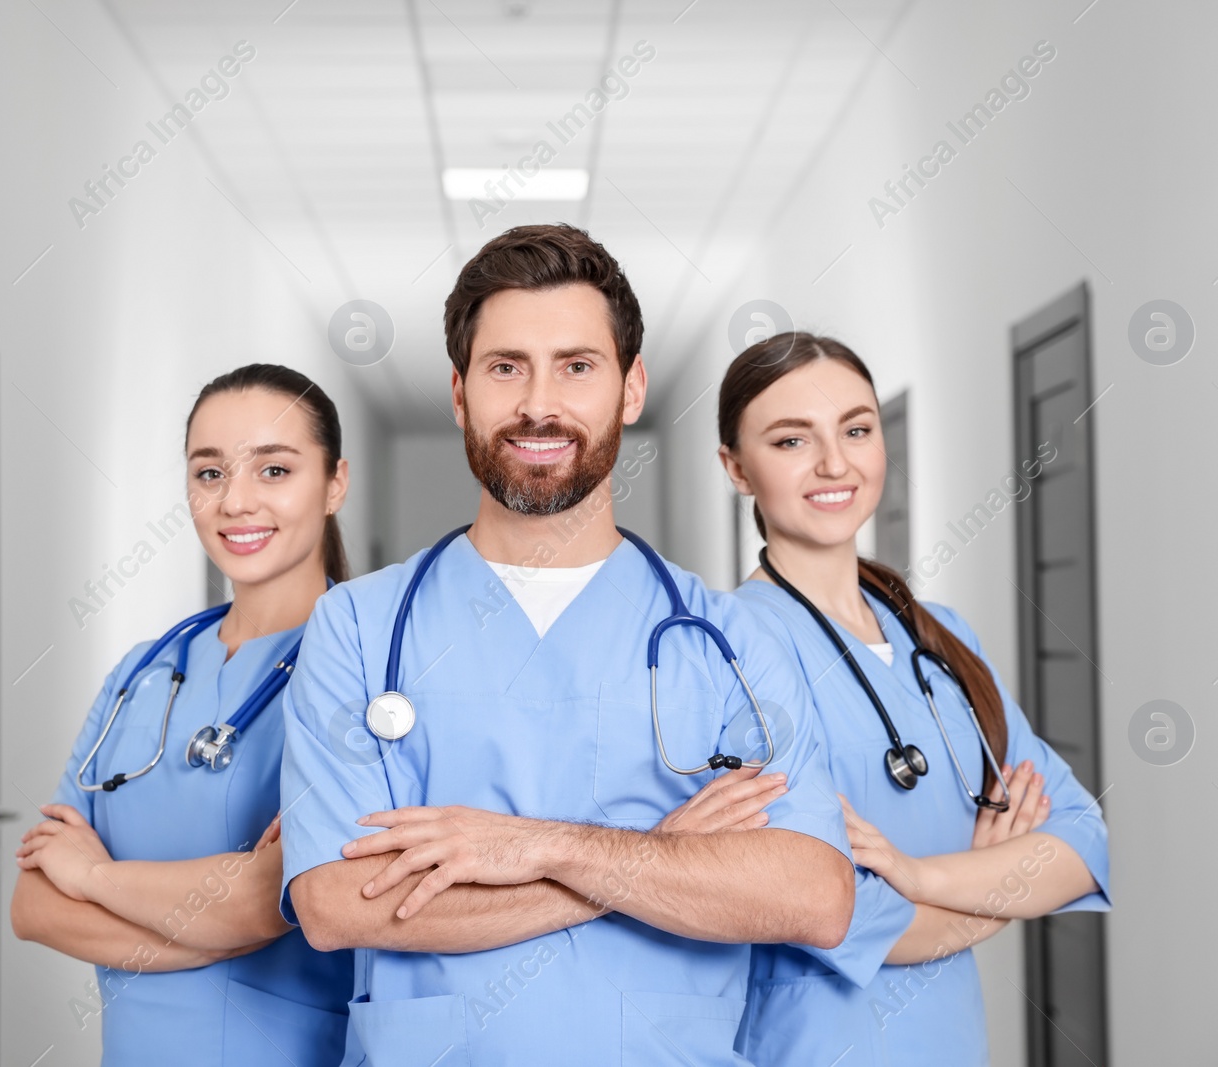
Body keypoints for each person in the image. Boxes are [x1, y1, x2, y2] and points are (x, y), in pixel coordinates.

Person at [278, 224, 856, 1066]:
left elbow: (813, 895)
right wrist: (657, 859)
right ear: (459, 392)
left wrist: (535, 845)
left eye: (577, 367)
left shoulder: (733, 639)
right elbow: (336, 902)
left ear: (630, 388)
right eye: (506, 366)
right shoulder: (359, 627)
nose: (538, 404)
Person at [716, 333, 1111, 1067]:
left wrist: (921, 874)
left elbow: (1083, 840)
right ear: (737, 468)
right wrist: (991, 897)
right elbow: (832, 911)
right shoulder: (733, 647)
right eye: (792, 439)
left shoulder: (939, 634)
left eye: (857, 429)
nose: (835, 463)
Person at [11, 364, 355, 1067]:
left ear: (334, 483)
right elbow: (34, 904)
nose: (235, 502)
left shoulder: (367, 670)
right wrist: (209, 916)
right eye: (209, 473)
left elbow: (273, 900)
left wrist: (95, 878)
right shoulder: (144, 669)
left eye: (274, 470)